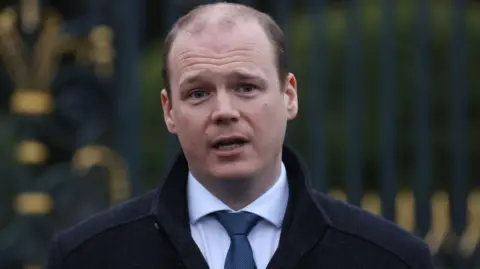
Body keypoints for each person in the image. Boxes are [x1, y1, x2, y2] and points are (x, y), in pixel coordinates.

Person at [46, 2, 434, 269]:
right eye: (198, 93)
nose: (224, 111)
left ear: (289, 95)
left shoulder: (389, 259)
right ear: (169, 111)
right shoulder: (90, 257)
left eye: (246, 87)